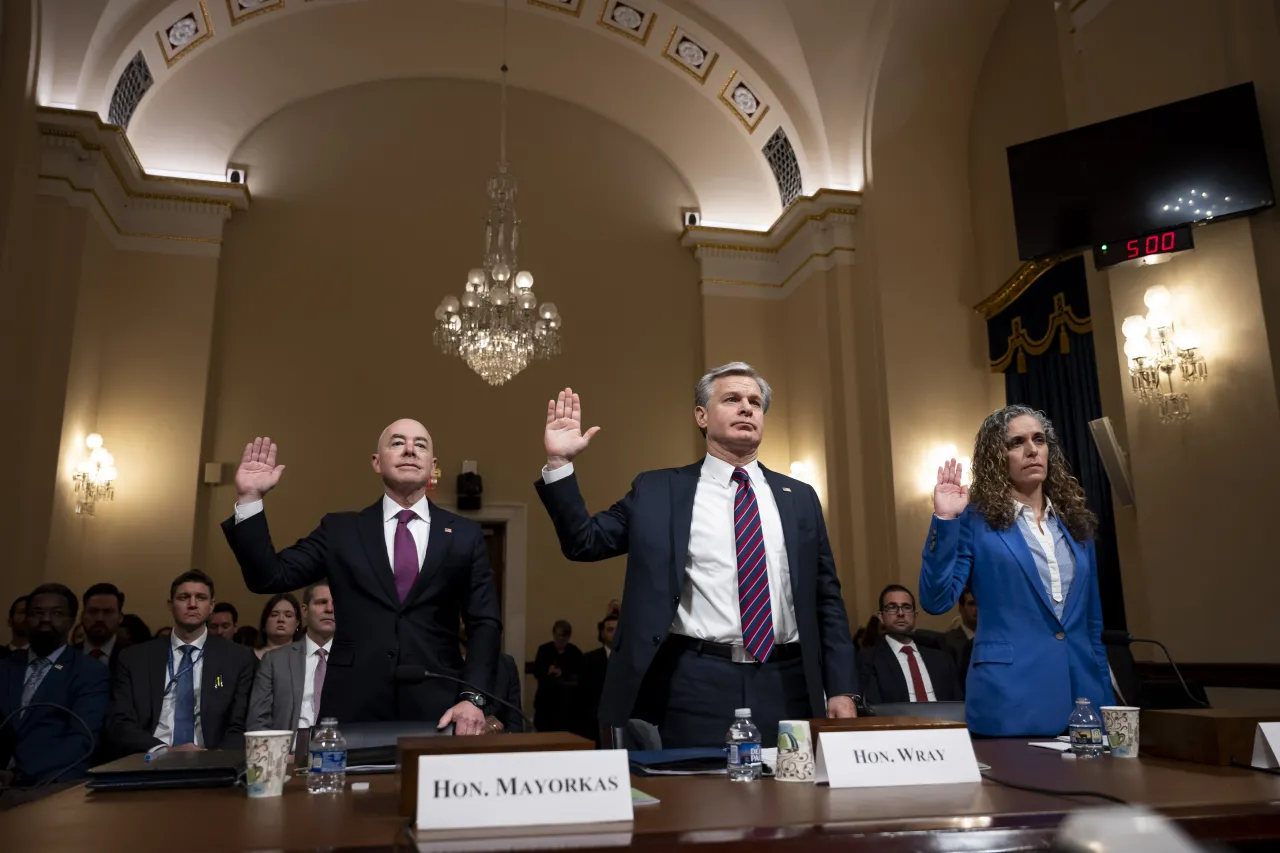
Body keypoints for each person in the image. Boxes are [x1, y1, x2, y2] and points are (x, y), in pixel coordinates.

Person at [534, 364, 858, 748]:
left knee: (793, 797)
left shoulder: (800, 497)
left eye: (755, 402)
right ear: (701, 416)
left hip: (787, 680)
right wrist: (559, 465)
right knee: (699, 801)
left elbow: (827, 599)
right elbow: (584, 542)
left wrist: (842, 688)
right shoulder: (658, 491)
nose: (747, 408)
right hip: (696, 680)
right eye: (732, 399)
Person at [222, 422, 501, 734]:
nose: (410, 449)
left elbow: (484, 623)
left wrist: (473, 698)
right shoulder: (340, 531)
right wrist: (249, 499)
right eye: (397, 443)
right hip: (352, 705)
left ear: (433, 466)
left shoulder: (464, 535)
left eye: (420, 444)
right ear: (376, 462)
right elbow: (270, 577)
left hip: (440, 705)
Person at [921, 404, 1114, 737]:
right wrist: (946, 520)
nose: (1031, 450)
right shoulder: (976, 523)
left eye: (1039, 440)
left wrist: (1106, 704)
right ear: (997, 457)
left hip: (1083, 703)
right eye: (1017, 442)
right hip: (1010, 699)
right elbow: (936, 600)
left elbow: (1092, 625)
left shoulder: (1077, 525)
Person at [106, 570, 256, 756]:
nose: (192, 604)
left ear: (211, 606)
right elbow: (120, 723)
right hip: (150, 759)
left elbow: (241, 724)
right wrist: (164, 750)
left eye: (201, 598)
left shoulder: (238, 658)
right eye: (184, 597)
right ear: (171, 605)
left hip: (212, 761)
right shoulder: (134, 658)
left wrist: (212, 758)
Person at [0, 584, 109, 787]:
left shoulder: (89, 672)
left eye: (57, 613)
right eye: (37, 612)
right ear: (27, 619)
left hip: (52, 782)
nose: (46, 619)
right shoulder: (5, 666)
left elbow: (82, 739)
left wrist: (19, 775)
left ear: (71, 621)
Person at [247, 582, 335, 732]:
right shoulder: (274, 661)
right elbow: (258, 721)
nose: (329, 609)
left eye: (335, 603)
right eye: (321, 602)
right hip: (286, 751)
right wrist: (277, 754)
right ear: (305, 611)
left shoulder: (356, 660)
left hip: (338, 750)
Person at [857, 585, 962, 705]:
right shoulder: (869, 659)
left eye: (906, 607)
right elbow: (873, 708)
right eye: (892, 607)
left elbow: (958, 705)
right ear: (881, 616)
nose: (900, 613)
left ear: (915, 616)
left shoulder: (942, 659)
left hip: (944, 721)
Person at [532, 620, 583, 733]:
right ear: (554, 634)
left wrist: (563, 671)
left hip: (567, 705)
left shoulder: (575, 653)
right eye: (559, 635)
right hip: (545, 703)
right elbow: (536, 671)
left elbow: (581, 674)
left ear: (569, 637)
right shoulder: (544, 650)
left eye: (564, 637)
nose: (561, 639)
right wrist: (547, 670)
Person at [575, 614, 617, 744]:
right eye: (610, 630)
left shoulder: (633, 659)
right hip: (595, 723)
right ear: (602, 634)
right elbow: (583, 695)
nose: (615, 633)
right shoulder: (589, 659)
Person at [80, 583, 124, 669]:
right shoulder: (65, 657)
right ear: (82, 616)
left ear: (120, 617)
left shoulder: (136, 659)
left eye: (108, 612)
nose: (99, 618)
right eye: (93, 611)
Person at [942, 586, 977, 676]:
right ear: (961, 608)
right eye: (972, 604)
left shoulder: (993, 640)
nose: (977, 609)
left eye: (981, 604)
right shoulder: (947, 641)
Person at [255, 593, 301, 660]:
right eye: (274, 615)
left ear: (297, 623)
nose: (281, 619)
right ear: (265, 621)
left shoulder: (306, 659)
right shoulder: (247, 657)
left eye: (288, 615)